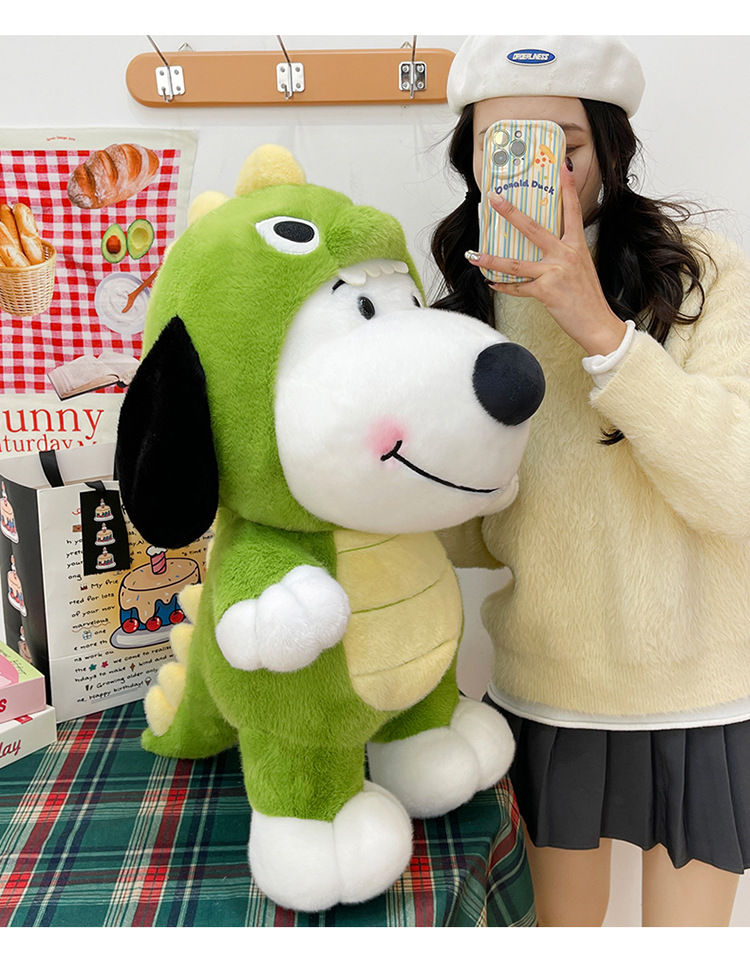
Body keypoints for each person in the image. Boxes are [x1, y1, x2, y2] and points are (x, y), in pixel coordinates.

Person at [433, 35, 750, 927]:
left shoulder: (704, 271)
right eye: (504, 150)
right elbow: (468, 538)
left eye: (562, 147)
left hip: (702, 691)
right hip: (546, 687)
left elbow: (736, 491)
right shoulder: (472, 296)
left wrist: (602, 333)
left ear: (610, 147)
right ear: (471, 158)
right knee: (556, 936)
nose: (537, 175)